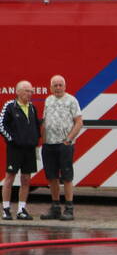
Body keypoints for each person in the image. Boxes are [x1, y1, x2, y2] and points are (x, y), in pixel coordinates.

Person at [40, 75, 83, 221]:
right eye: (55, 85)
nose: (58, 88)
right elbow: (45, 122)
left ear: (65, 86)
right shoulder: (48, 100)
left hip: (64, 145)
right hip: (49, 145)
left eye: (60, 85)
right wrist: (43, 141)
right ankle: (55, 207)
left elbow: (79, 122)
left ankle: (69, 208)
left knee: (66, 177)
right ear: (50, 87)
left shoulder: (72, 100)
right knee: (51, 177)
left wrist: (68, 140)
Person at [0, 80, 42, 220]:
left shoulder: (32, 107)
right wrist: (12, 140)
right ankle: (6, 209)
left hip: (29, 149)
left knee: (26, 180)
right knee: (9, 178)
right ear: (17, 92)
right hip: (15, 149)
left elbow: (36, 125)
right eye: (26, 90)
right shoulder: (10, 106)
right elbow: (1, 125)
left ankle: (21, 209)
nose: (29, 93)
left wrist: (36, 140)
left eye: (31, 91)